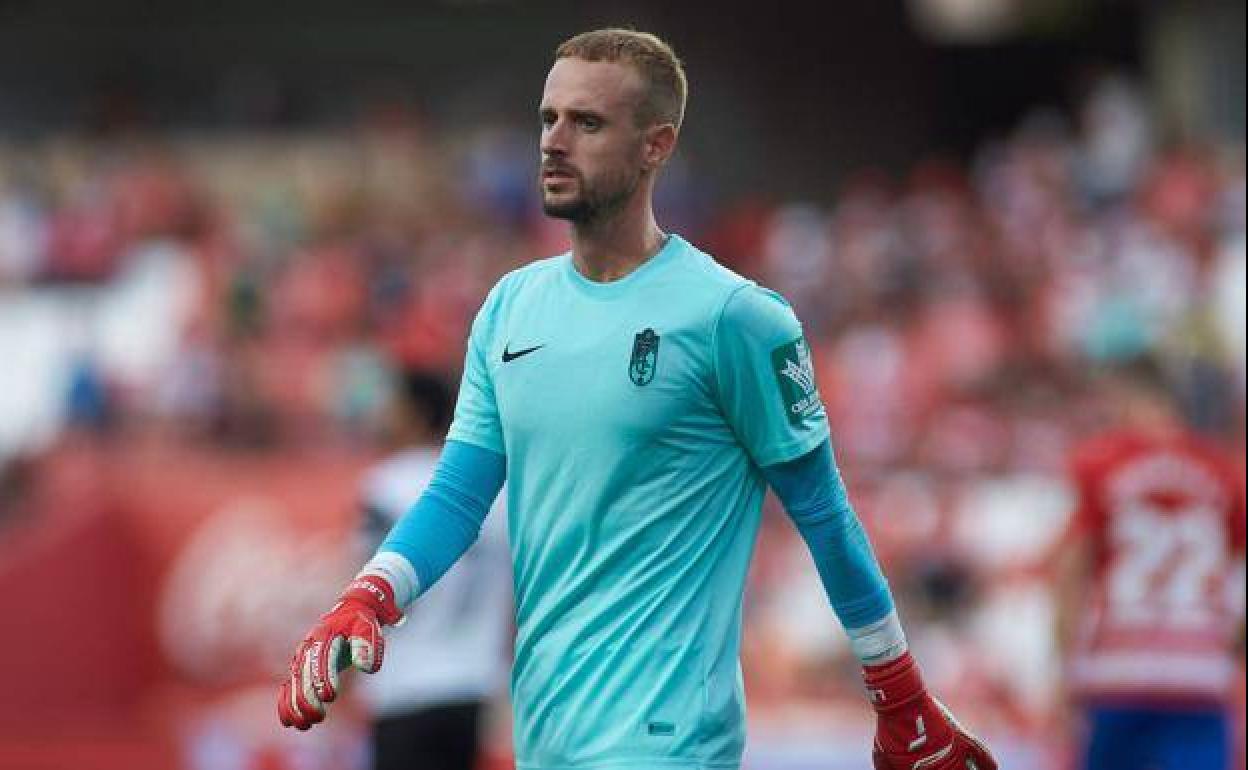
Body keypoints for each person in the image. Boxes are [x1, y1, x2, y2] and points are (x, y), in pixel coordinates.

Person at [278, 28, 997, 770]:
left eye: (586, 123)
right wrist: (369, 594)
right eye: (547, 118)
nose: (554, 142)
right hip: (544, 736)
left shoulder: (735, 318)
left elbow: (823, 512)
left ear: (657, 146)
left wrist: (900, 693)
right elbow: (460, 494)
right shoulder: (509, 308)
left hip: (667, 740)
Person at [1055, 357, 1246, 770]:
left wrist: (1065, 666)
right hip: (1199, 670)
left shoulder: (1102, 463)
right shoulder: (1223, 472)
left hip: (1119, 671)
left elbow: (1072, 569)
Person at [355, 370, 511, 770]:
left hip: (404, 685)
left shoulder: (389, 482)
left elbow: (364, 583)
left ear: (416, 413)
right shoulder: (494, 486)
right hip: (472, 684)